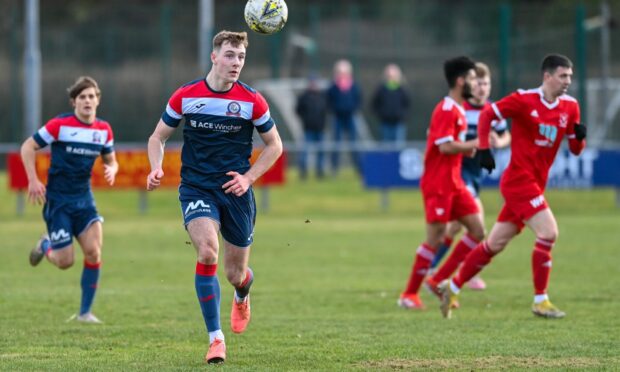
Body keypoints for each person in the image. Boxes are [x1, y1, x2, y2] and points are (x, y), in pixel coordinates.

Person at [146, 30, 283, 364]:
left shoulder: (252, 100)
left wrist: (249, 178)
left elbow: (275, 146)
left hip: (236, 193)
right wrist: (155, 167)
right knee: (208, 252)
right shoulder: (186, 95)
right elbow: (158, 137)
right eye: (230, 55)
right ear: (214, 56)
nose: (236, 63)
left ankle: (242, 291)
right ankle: (216, 339)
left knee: (235, 273)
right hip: (197, 188)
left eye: (241, 57)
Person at [439, 54, 587, 320]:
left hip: (536, 185)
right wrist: (484, 149)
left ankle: (451, 286)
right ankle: (541, 300)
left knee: (494, 243)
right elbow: (487, 115)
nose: (568, 81)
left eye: (570, 76)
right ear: (547, 76)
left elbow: (576, 150)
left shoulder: (571, 106)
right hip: (518, 181)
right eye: (563, 76)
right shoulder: (523, 99)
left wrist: (579, 138)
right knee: (549, 232)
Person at [22, 76, 118, 324]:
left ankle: (85, 313)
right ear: (74, 102)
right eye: (82, 97)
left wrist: (113, 169)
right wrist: (33, 180)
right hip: (58, 202)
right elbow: (27, 147)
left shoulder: (103, 130)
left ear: (98, 100)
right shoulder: (60, 125)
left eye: (91, 96)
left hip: (84, 200)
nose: (87, 101)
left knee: (94, 252)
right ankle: (45, 245)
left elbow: (111, 159)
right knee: (65, 262)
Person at [398, 56, 485, 310]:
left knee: (478, 232)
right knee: (434, 238)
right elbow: (445, 146)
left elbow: (447, 145)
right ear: (460, 81)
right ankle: (409, 294)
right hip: (438, 184)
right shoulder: (446, 109)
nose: (475, 84)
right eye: (471, 79)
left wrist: (466, 150)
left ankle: (437, 279)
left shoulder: (458, 109)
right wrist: (473, 144)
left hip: (455, 183)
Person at [426, 62, 511, 292]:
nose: (482, 88)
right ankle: (455, 271)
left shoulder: (493, 111)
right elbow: (441, 137)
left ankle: (436, 269)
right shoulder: (459, 109)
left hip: (476, 175)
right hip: (459, 173)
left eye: (487, 83)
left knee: (453, 229)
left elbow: (506, 136)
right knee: (476, 226)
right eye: (479, 83)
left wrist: (498, 142)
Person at [326, 59, 362, 175]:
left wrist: (352, 109)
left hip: (350, 117)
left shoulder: (354, 86)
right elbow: (329, 101)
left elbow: (358, 100)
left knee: (354, 143)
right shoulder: (333, 88)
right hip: (337, 118)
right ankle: (334, 168)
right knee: (336, 143)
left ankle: (358, 168)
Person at [296, 73, 328, 180]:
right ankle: (303, 172)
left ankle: (320, 171)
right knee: (305, 151)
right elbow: (298, 110)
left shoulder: (322, 96)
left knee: (321, 152)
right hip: (308, 129)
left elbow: (325, 111)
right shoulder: (304, 97)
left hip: (320, 128)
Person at [371, 63, 410, 145]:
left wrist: (402, 115)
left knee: (398, 147)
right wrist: (382, 114)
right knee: (386, 148)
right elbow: (374, 104)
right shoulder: (381, 90)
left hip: (399, 124)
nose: (391, 78)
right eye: (389, 76)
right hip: (385, 124)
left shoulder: (402, 90)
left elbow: (407, 104)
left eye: (393, 76)